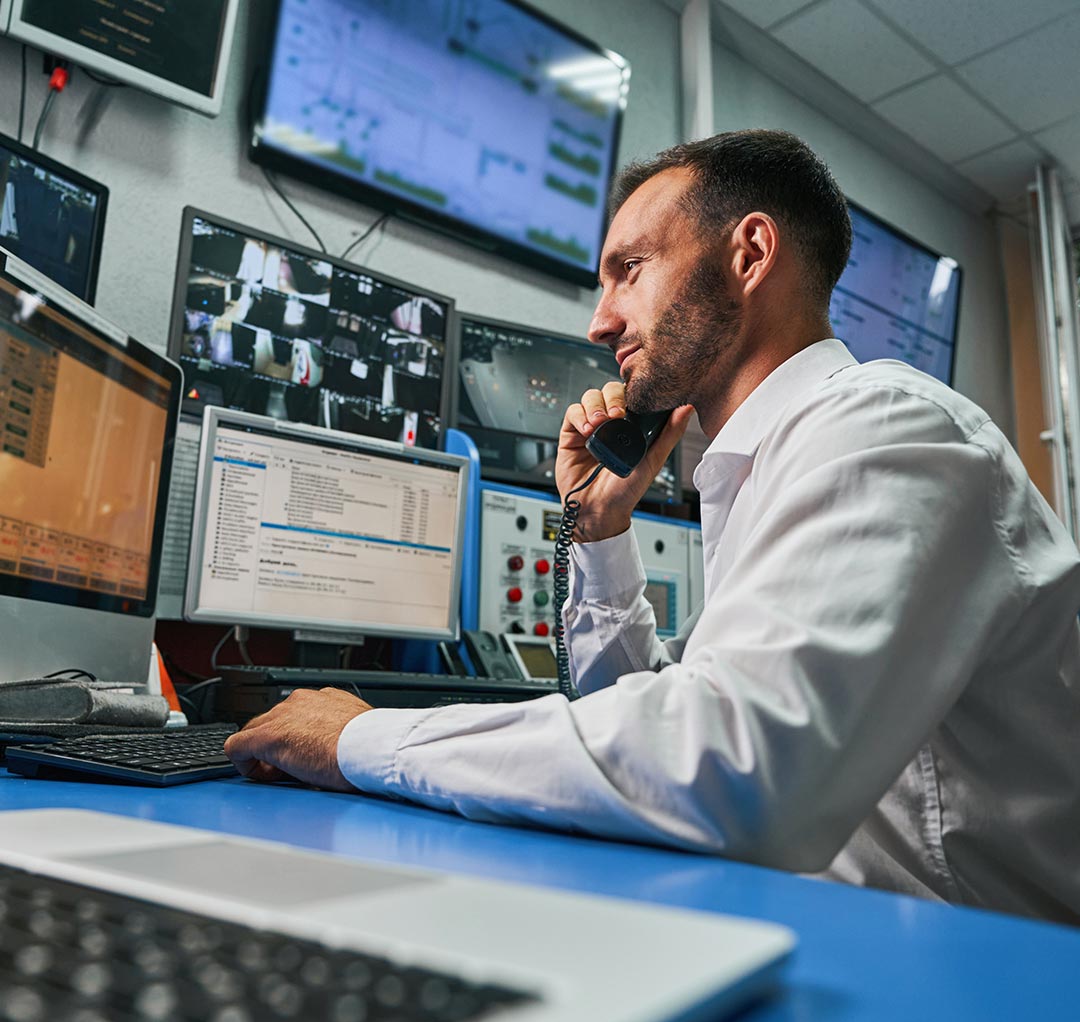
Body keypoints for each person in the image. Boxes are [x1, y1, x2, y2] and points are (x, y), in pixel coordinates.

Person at [224, 130, 1080, 923]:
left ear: (748, 253)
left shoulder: (888, 435)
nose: (599, 321)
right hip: (856, 934)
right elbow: (644, 743)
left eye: (628, 269)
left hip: (987, 977)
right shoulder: (765, 463)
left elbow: (728, 770)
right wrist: (598, 535)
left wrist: (360, 739)